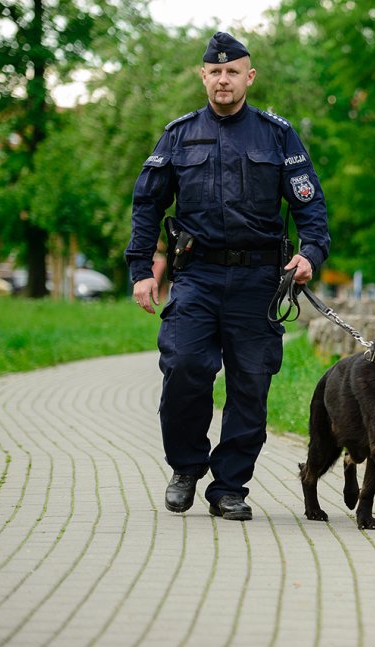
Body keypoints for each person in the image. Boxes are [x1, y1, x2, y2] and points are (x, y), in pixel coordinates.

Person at [125, 32, 330, 521]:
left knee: (250, 385)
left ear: (248, 77)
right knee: (184, 369)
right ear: (203, 75)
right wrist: (140, 269)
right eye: (215, 71)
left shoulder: (277, 135)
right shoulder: (178, 135)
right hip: (195, 277)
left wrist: (311, 254)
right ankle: (186, 467)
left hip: (259, 281)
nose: (223, 79)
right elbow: (146, 205)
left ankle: (230, 487)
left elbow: (310, 203)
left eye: (233, 71)